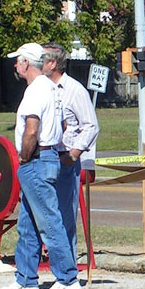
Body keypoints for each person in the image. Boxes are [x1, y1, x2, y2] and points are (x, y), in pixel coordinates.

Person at [0, 43, 79, 289]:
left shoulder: (35, 91)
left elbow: (32, 128)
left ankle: (67, 279)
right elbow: (64, 123)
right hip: (50, 156)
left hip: (36, 159)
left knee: (49, 221)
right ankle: (26, 279)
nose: (15, 65)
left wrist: (24, 156)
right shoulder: (51, 88)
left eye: (18, 60)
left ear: (26, 63)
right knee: (29, 223)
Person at [41, 42, 100, 264]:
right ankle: (50, 262)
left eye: (42, 60)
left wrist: (73, 155)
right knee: (46, 216)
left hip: (65, 161)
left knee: (65, 217)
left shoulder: (75, 90)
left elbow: (91, 126)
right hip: (43, 158)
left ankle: (67, 269)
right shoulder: (41, 89)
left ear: (53, 64)